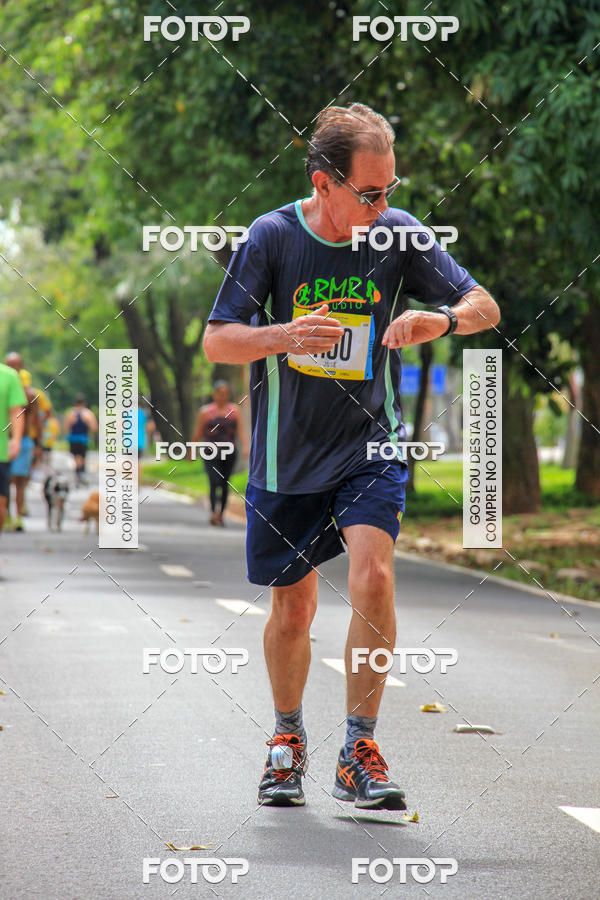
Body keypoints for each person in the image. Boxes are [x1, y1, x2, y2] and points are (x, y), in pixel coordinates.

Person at [204, 102, 500, 809]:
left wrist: (444, 319)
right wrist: (283, 336)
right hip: (287, 455)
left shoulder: (398, 235)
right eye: (370, 192)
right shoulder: (273, 237)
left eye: (391, 187)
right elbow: (219, 339)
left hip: (370, 444)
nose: (384, 203)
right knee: (294, 610)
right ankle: (286, 740)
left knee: (373, 575)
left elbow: (485, 305)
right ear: (323, 182)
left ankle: (358, 747)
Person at [190, 380, 249, 526]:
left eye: (225, 393)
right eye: (219, 393)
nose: (222, 396)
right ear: (214, 394)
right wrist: (192, 450)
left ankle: (221, 513)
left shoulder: (235, 410)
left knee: (224, 483)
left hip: (229, 452)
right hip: (210, 452)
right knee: (213, 481)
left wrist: (246, 447)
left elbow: (241, 431)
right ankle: (212, 512)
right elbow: (198, 432)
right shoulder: (205, 412)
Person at [7, 369, 41, 531]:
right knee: (17, 482)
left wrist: (39, 444)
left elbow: (36, 421)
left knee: (13, 482)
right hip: (18, 441)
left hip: (19, 441)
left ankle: (14, 516)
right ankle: (14, 516)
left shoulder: (28, 396)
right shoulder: (30, 395)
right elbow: (36, 421)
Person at [0, 362, 26, 534]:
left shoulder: (8, 376)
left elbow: (15, 411)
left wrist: (16, 439)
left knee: (1, 504)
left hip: (1, 453)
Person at [64, 394, 98, 485]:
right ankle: (80, 475)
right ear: (84, 403)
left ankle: (78, 475)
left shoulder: (70, 414)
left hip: (73, 439)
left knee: (76, 458)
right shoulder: (88, 414)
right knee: (82, 458)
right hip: (83, 439)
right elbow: (94, 428)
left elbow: (65, 428)